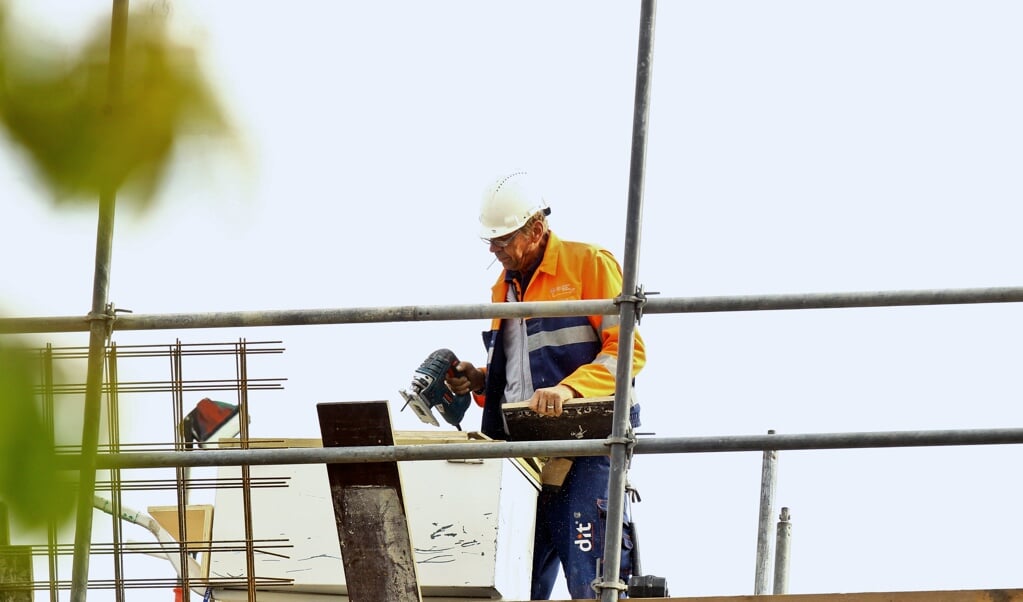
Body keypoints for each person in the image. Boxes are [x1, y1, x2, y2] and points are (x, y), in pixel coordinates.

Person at [445, 171, 646, 600]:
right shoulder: (505, 288)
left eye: (504, 238)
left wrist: (570, 390)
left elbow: (627, 352)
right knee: (515, 582)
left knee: (593, 579)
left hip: (587, 443)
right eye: (490, 241)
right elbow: (520, 373)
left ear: (536, 229)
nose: (495, 249)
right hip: (528, 450)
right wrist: (481, 381)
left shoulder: (589, 264)